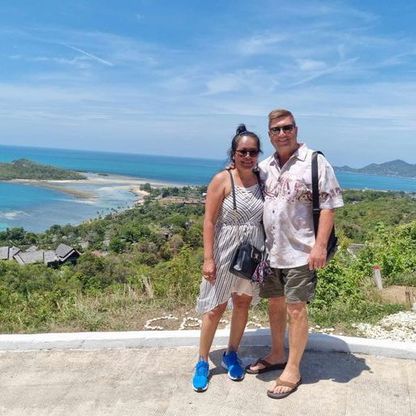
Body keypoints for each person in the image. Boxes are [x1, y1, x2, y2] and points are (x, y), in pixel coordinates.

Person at [247, 109, 343, 399]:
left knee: (296, 308)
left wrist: (320, 246)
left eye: (287, 128)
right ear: (269, 135)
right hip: (272, 250)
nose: (282, 134)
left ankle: (293, 368)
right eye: (276, 130)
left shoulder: (315, 162)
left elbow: (329, 206)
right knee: (275, 304)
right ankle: (277, 353)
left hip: (301, 251)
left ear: (296, 129)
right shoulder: (265, 167)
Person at [192, 124, 264, 392]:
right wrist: (208, 258)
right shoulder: (222, 179)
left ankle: (231, 353)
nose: (247, 156)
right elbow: (209, 222)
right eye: (242, 151)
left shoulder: (262, 179)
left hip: (252, 251)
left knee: (242, 303)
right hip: (225, 250)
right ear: (233, 153)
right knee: (215, 307)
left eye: (253, 152)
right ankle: (202, 361)